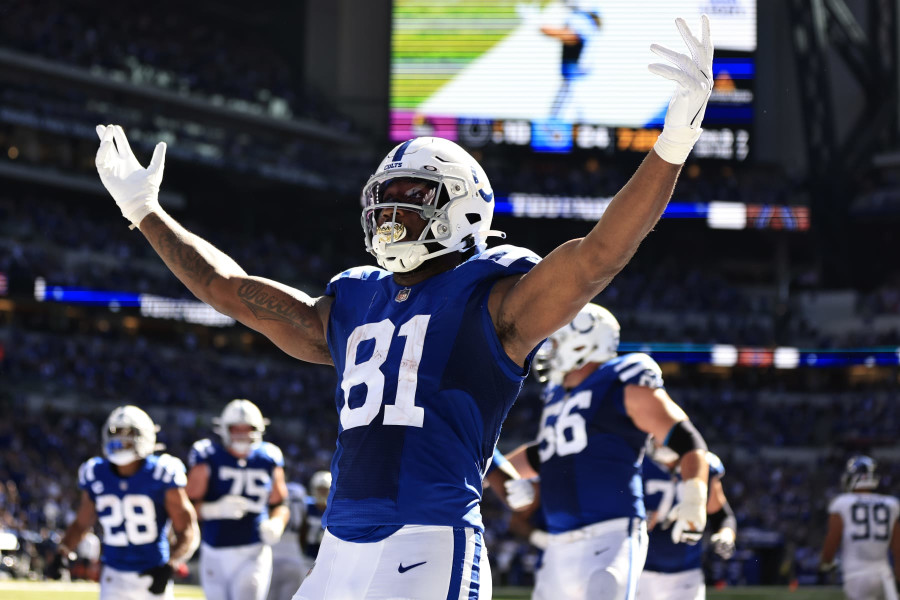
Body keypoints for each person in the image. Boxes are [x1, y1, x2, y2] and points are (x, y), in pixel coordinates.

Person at [93, 15, 713, 599]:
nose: (392, 212)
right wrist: (146, 214)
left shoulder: (494, 294)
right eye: (384, 199)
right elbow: (231, 290)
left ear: (464, 205)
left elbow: (598, 254)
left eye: (412, 196)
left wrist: (674, 141)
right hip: (338, 547)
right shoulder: (354, 298)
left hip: (428, 539)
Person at [501, 303, 709, 599]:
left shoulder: (621, 378)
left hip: (611, 534)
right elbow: (547, 453)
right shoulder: (558, 395)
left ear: (585, 341)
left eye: (557, 341)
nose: (549, 350)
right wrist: (487, 472)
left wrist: (694, 498)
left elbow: (687, 441)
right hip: (558, 542)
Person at [53, 406, 198, 599]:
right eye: (116, 433)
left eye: (129, 434)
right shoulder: (95, 472)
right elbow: (82, 523)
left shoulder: (161, 472)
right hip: (113, 576)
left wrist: (171, 565)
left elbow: (187, 529)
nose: (121, 440)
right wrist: (63, 551)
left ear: (145, 437)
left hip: (152, 572)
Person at [186, 399, 290, 600]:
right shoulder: (208, 455)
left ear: (258, 429)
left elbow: (280, 504)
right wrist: (212, 510)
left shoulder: (268, 457)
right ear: (224, 429)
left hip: (253, 549)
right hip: (213, 550)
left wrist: (277, 523)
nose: (242, 433)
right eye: (236, 428)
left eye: (248, 428)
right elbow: (186, 505)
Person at [637, 447, 736, 600]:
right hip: (642, 570)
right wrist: (639, 520)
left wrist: (725, 535)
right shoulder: (639, 461)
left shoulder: (703, 464)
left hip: (687, 572)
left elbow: (721, 516)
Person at [820, 456, 900, 600]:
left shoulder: (842, 503)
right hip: (884, 575)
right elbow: (898, 547)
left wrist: (826, 561)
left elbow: (832, 540)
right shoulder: (891, 503)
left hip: (856, 575)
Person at [268, 481, 309, 600]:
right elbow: (303, 529)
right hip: (294, 557)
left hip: (272, 557)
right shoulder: (299, 495)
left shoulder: (273, 494)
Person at [299, 471, 331, 568]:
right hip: (309, 556)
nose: (322, 492)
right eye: (320, 489)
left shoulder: (334, 510)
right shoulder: (307, 507)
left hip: (328, 557)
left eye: (325, 489)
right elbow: (302, 532)